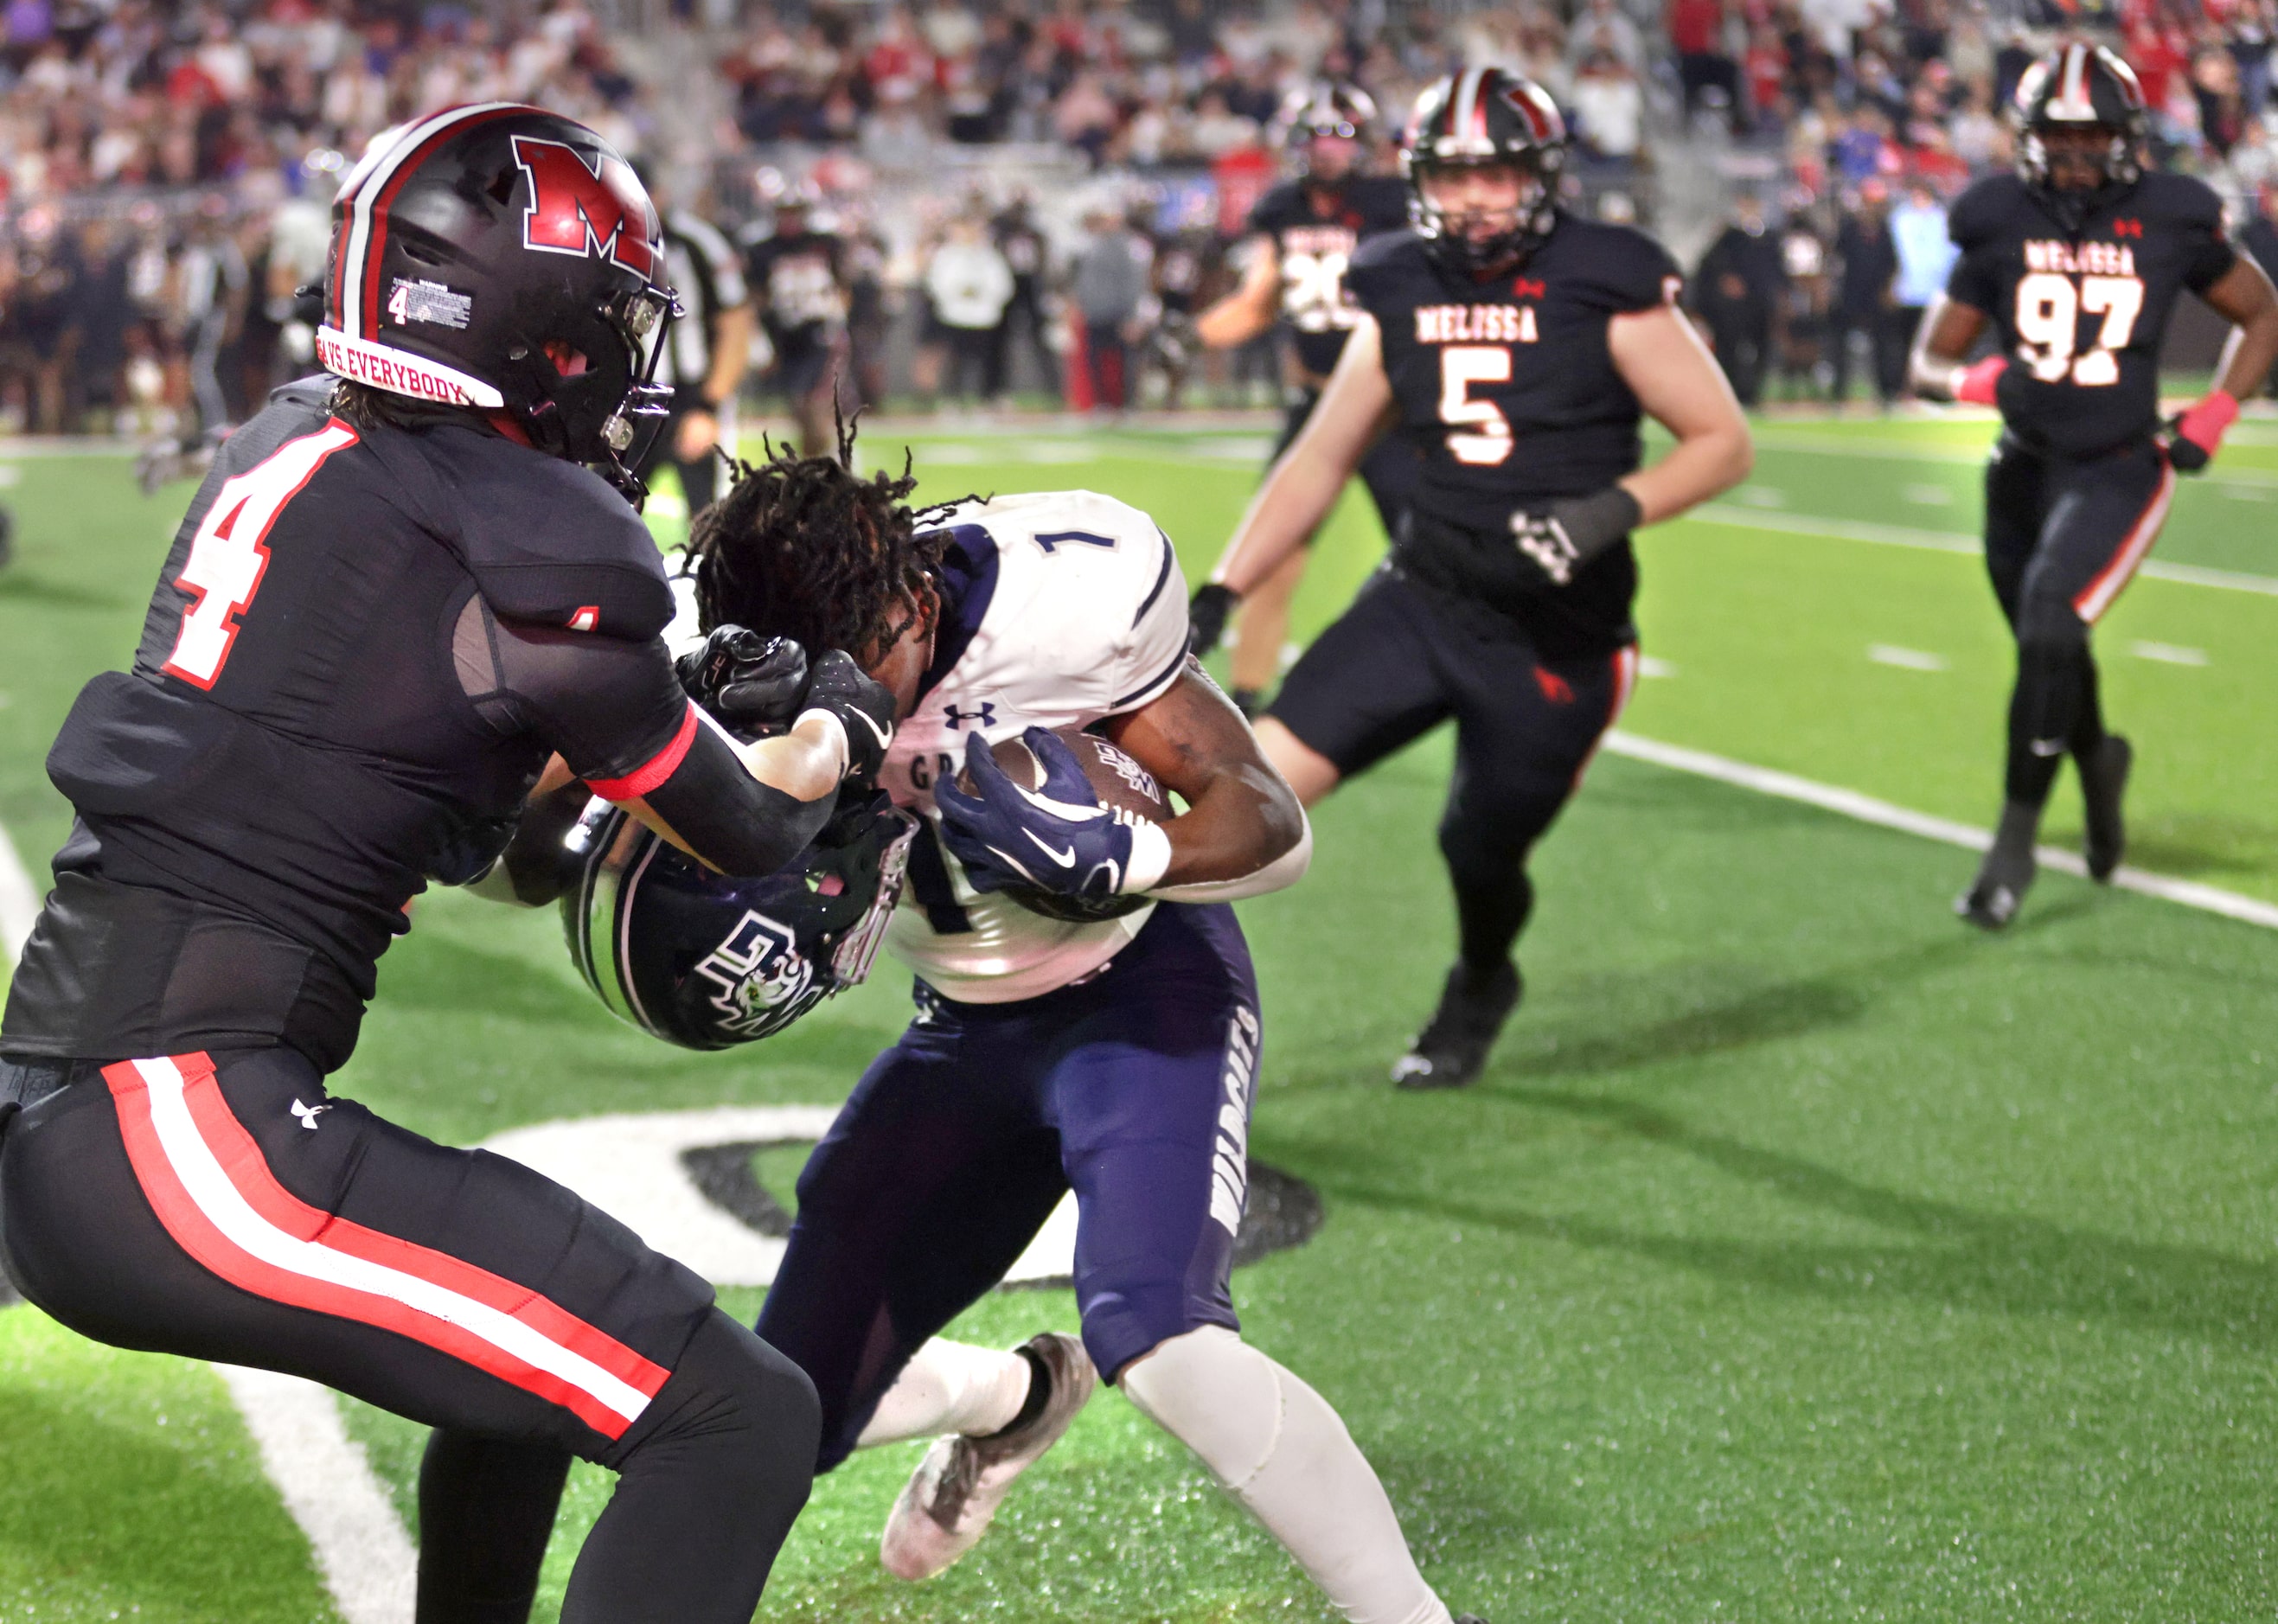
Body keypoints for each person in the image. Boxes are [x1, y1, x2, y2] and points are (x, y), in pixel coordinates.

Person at [0, 106, 900, 1624]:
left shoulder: (301, 438)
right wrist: (829, 722)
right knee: (735, 1416)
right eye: (608, 316)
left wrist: (636, 731)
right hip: (186, 1136)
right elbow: (753, 823)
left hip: (96, 1098)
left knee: (529, 1379)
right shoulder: (533, 531)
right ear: (533, 322)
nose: (624, 357)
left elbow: (498, 842)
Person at [663, 438, 1486, 1624]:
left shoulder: (1060, 607)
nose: (844, 708)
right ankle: (1009, 1396)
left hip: (1139, 997)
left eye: (860, 671)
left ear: (908, 600)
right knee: (777, 1413)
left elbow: (1271, 818)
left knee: (1160, 1335)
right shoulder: (722, 647)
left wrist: (1130, 854)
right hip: (959, 1036)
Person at [1193, 67, 1753, 1090]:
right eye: (1454, 175)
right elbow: (1319, 456)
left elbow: (1721, 441)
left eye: (1499, 172)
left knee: (1477, 849)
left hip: (1557, 638)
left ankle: (1482, 978)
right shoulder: (1401, 279)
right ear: (1419, 181)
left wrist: (1607, 511)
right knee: (1240, 809)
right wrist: (1227, 585)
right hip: (1423, 596)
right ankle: (1144, 1042)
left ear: (1544, 175)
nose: (1477, 197)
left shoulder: (1604, 275)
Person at [1910, 43, 2278, 928]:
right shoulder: (1996, 217)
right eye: (2060, 136)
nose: (2076, 154)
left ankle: (2011, 853)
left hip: (2118, 462)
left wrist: (2218, 412)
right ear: (2029, 138)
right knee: (2050, 646)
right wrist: (1978, 383)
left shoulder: (2172, 214)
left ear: (2128, 138)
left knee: (2048, 617)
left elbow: (2263, 313)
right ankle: (2098, 764)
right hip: (2021, 467)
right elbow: (1927, 359)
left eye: (2095, 135)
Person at [1194, 82, 1416, 716]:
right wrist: (1195, 333)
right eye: (1317, 139)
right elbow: (1259, 301)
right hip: (1315, 401)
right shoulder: (1282, 209)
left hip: (1388, 404)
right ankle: (1246, 693)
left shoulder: (1393, 204)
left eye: (1341, 138)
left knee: (1427, 543)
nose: (1328, 152)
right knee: (1273, 551)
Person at [635, 166, 755, 519]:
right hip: (629, 398)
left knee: (706, 518)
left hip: (690, 395)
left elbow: (736, 325)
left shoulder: (698, 242)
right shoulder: (598, 243)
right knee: (607, 515)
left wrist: (709, 404)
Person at [742, 178, 851, 462]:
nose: (790, 218)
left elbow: (843, 286)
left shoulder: (826, 244)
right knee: (798, 405)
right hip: (785, 335)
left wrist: (838, 320)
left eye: (795, 211)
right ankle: (816, 462)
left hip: (820, 332)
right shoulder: (762, 250)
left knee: (815, 403)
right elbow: (757, 297)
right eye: (785, 211)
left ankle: (821, 464)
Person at [1692, 192, 1786, 406]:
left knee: (1762, 347)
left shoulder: (1768, 237)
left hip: (1760, 303)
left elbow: (1776, 270)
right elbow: (1712, 268)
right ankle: (1733, 391)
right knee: (1730, 349)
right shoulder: (1729, 237)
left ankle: (1752, 392)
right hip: (1733, 309)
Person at [1832, 180, 1901, 406]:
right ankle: (1839, 392)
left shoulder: (1884, 230)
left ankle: (1886, 391)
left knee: (1883, 345)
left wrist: (1889, 290)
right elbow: (1835, 259)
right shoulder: (1849, 228)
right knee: (1840, 345)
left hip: (1876, 295)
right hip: (1851, 293)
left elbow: (1893, 263)